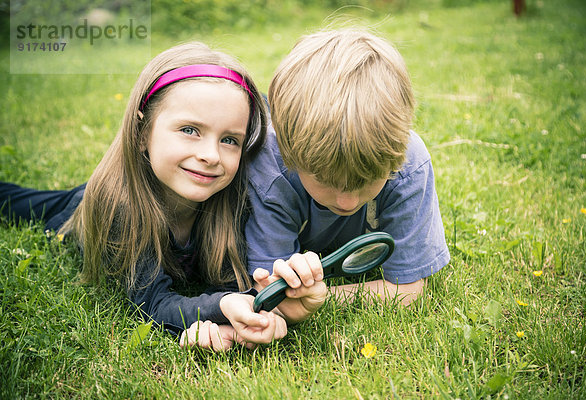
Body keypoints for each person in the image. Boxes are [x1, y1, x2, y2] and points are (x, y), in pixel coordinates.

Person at [0, 42, 327, 351]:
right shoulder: (118, 207)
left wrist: (254, 312)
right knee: (18, 203)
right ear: (143, 133)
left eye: (229, 139)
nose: (211, 155)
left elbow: (236, 282)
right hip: (82, 206)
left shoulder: (235, 195)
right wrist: (222, 306)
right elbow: (154, 304)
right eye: (190, 130)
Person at [247, 29, 450, 306]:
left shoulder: (408, 163)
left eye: (367, 179)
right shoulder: (269, 169)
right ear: (288, 148)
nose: (347, 201)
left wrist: (319, 297)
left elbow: (408, 289)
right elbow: (272, 290)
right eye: (325, 179)